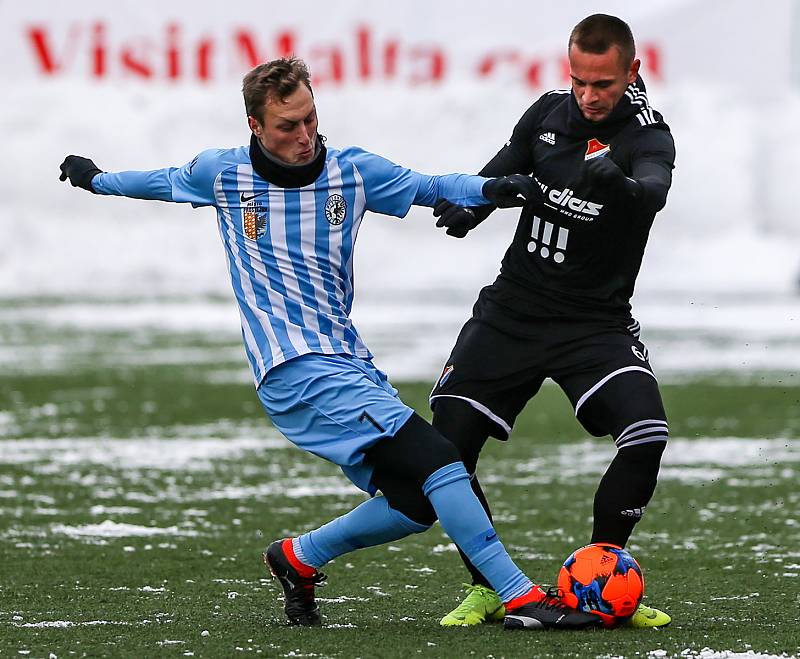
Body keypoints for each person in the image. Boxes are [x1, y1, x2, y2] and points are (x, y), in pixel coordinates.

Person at [59, 57, 605, 631]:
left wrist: (493, 186)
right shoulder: (221, 174)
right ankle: (519, 597)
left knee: (416, 502)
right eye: (286, 126)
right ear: (255, 127)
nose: (304, 136)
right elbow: (160, 181)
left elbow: (431, 185)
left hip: (347, 361)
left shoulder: (352, 172)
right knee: (441, 458)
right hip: (293, 367)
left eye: (310, 119)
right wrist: (97, 179)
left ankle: (298, 557)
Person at [428, 14, 676, 628]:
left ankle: (604, 577)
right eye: (579, 82)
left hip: (595, 323)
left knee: (646, 434)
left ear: (632, 73)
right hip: (512, 311)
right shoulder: (545, 114)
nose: (589, 96)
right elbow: (496, 176)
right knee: (446, 450)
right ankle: (490, 587)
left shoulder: (649, 137)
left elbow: (653, 192)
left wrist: (617, 185)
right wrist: (470, 209)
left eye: (604, 84)